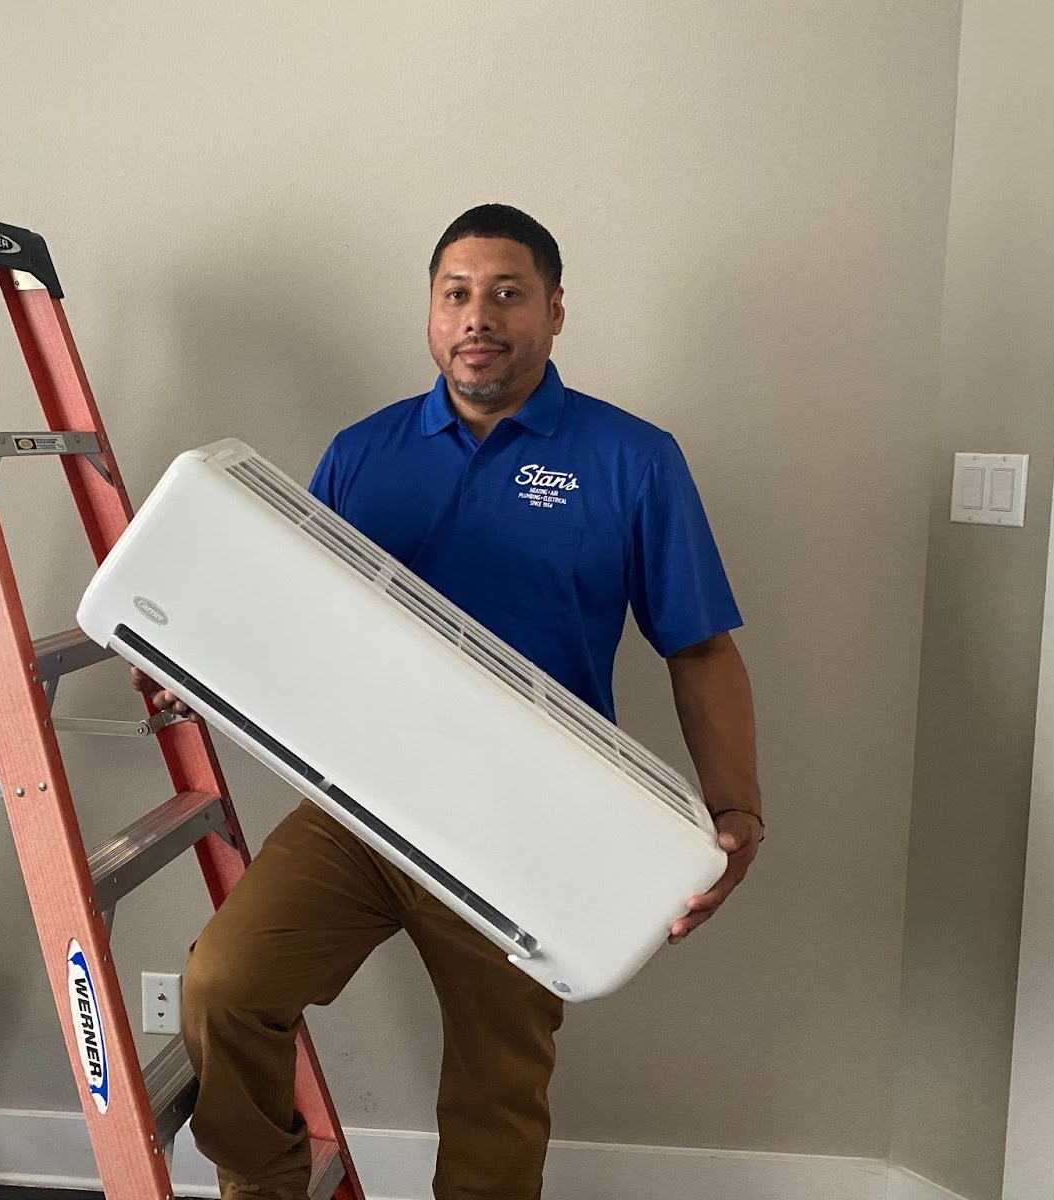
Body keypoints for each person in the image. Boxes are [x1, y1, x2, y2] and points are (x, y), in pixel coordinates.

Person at [131, 204, 762, 1200]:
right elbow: (298, 621)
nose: (479, 317)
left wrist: (735, 811)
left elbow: (700, 649)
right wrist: (194, 657)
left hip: (524, 831)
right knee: (223, 987)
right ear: (430, 313)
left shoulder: (632, 459)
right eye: (455, 294)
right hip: (359, 805)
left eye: (507, 294)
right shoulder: (362, 452)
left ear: (554, 312)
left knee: (495, 1094)